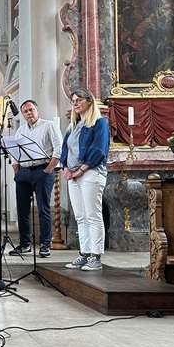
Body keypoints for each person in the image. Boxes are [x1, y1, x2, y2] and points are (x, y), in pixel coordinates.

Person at [60, 88, 110, 271]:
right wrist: (65, 168)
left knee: (92, 215)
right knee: (80, 217)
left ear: (89, 101)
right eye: (73, 100)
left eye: (79, 99)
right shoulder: (72, 125)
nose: (75, 103)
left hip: (91, 173)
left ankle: (95, 257)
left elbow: (99, 150)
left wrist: (81, 170)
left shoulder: (99, 123)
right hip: (72, 175)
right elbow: (65, 150)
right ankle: (84, 253)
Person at [8, 100, 63, 258]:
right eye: (25, 111)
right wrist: (17, 172)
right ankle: (25, 244)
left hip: (42, 170)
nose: (28, 113)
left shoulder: (49, 125)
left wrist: (48, 169)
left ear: (37, 110)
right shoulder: (21, 130)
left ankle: (45, 244)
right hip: (24, 172)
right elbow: (14, 154)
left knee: (43, 209)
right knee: (22, 210)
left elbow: (58, 149)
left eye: (31, 110)